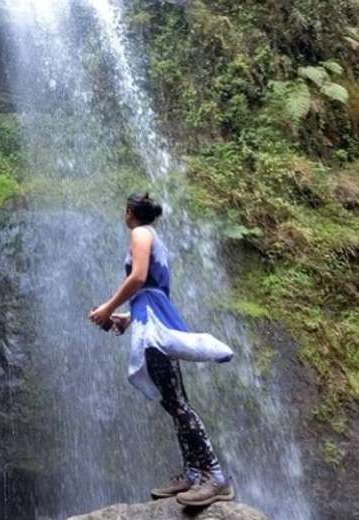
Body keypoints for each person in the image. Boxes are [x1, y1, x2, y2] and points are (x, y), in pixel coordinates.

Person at [88, 192, 236, 506]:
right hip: (152, 319)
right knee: (174, 402)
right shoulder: (155, 237)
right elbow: (152, 290)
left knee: (178, 403)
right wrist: (127, 319)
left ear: (130, 212)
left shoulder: (140, 233)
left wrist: (107, 307)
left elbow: (139, 277)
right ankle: (194, 473)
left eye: (124, 210)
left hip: (154, 326)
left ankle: (214, 473)